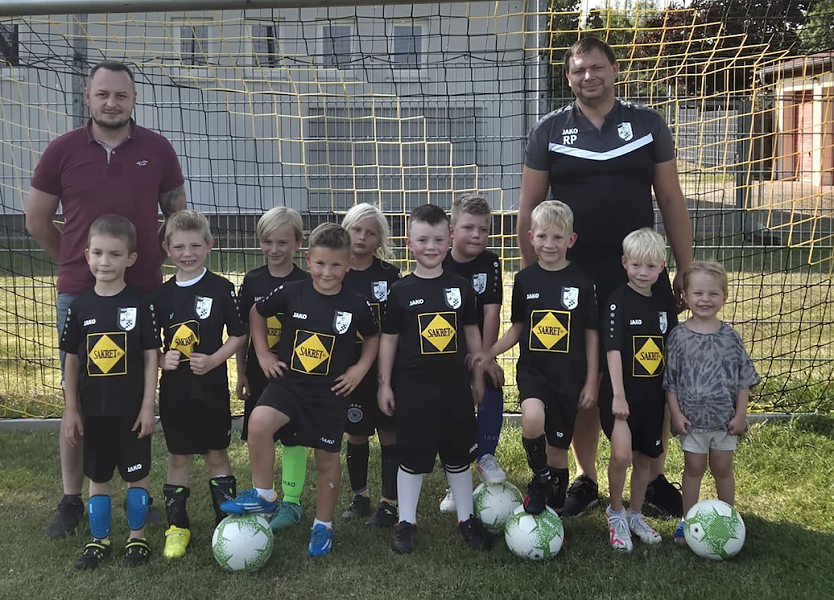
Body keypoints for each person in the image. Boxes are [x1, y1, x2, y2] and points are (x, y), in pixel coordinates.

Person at [516, 36, 692, 518]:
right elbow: (529, 209)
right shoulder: (548, 130)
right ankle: (586, 477)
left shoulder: (648, 123)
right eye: (577, 70)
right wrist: (536, 279)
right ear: (567, 77)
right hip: (572, 275)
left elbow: (672, 200)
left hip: (639, 271)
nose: (587, 76)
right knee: (583, 378)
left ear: (615, 70)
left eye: (596, 67)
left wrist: (685, 267)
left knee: (647, 372)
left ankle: (651, 478)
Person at [25, 59, 186, 539]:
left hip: (147, 294)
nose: (111, 102)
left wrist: (149, 258)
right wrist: (78, 264)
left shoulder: (157, 149)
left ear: (133, 99)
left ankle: (142, 492)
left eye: (120, 94)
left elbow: (176, 217)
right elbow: (36, 220)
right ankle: (72, 499)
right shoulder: (62, 150)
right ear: (87, 98)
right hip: (79, 295)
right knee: (81, 394)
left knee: (143, 390)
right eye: (102, 94)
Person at [222, 223, 380, 558]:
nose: (327, 272)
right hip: (289, 384)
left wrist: (360, 369)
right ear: (308, 260)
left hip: (329, 393)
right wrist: (263, 353)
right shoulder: (292, 291)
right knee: (259, 423)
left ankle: (322, 526)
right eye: (320, 264)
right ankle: (265, 496)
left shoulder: (356, 304)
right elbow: (256, 312)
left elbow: (373, 338)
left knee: (326, 459)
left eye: (336, 265)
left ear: (348, 264)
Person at [378, 204, 492, 554]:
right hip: (413, 390)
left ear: (450, 240)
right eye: (423, 239)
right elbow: (389, 340)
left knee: (458, 456)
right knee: (410, 457)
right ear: (409, 243)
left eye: (438, 239)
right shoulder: (399, 291)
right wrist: (384, 383)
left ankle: (467, 518)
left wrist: (477, 377)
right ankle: (406, 521)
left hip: (455, 389)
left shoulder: (460, 288)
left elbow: (472, 333)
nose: (431, 246)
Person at [474, 201, 598, 515]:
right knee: (531, 418)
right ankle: (539, 476)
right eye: (543, 236)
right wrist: (489, 352)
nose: (549, 244)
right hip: (534, 371)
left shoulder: (583, 282)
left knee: (557, 449)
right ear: (531, 238)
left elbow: (592, 335)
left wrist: (592, 382)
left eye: (558, 238)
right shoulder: (526, 280)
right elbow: (518, 327)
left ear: (570, 240)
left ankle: (552, 509)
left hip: (569, 377)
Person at [59, 215, 159, 569]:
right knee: (97, 479)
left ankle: (137, 539)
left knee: (137, 476)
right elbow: (71, 361)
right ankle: (98, 541)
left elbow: (151, 357)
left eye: (115, 254)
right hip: (94, 412)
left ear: (130, 259)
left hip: (132, 412)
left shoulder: (140, 302)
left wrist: (149, 406)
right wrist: (72, 410)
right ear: (86, 255)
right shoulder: (80, 306)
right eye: (98, 253)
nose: (105, 262)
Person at [152, 210, 247, 559]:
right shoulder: (160, 296)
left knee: (216, 453)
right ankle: (177, 526)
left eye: (195, 245)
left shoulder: (221, 288)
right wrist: (163, 359)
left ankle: (226, 521)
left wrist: (214, 360)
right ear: (167, 249)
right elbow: (151, 345)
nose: (187, 253)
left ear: (209, 245)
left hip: (211, 389)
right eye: (179, 246)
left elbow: (238, 335)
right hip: (175, 391)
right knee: (178, 456)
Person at [663, 261, 759, 543]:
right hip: (692, 423)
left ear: (724, 297)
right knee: (693, 469)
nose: (705, 300)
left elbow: (744, 379)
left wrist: (741, 415)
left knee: (722, 469)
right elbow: (670, 381)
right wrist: (675, 413)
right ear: (686, 297)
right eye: (698, 293)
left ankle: (728, 519)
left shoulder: (730, 337)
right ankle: (688, 521)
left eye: (713, 294)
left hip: (724, 423)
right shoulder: (678, 336)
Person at [601, 228, 677, 551]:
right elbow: (613, 350)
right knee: (621, 455)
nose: (642, 272)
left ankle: (635, 514)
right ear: (624, 263)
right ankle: (615, 513)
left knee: (646, 458)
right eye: (636, 265)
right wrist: (618, 394)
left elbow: (670, 350)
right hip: (622, 397)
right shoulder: (618, 301)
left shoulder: (663, 306)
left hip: (653, 399)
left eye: (650, 266)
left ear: (662, 267)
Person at [235, 207, 311, 532]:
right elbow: (242, 332)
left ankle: (292, 503)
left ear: (297, 243)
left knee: (294, 438)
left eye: (283, 242)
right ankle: (263, 496)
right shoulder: (252, 281)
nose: (275, 249)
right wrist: (240, 373)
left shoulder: (307, 282)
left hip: (296, 375)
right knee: (258, 430)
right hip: (258, 372)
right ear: (260, 242)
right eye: (268, 242)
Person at [438, 194, 506, 514]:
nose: (477, 235)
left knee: (493, 381)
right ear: (452, 231)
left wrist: (486, 359)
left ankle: (486, 456)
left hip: (480, 346)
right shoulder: (439, 261)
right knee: (452, 404)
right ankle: (456, 478)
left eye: (484, 229)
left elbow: (492, 313)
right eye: (469, 228)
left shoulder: (491, 262)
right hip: (445, 350)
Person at [339, 203, 402, 527]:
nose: (362, 236)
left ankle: (389, 502)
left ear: (380, 240)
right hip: (348, 372)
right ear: (345, 232)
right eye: (356, 229)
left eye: (370, 232)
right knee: (356, 433)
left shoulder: (389, 275)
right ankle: (360, 496)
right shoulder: (336, 271)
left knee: (388, 432)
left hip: (384, 370)